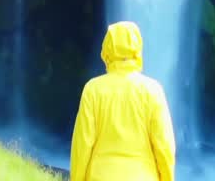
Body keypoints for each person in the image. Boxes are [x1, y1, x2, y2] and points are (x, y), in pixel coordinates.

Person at [70, 21, 176, 181]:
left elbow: (82, 145)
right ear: (138, 51)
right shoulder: (153, 90)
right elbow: (164, 147)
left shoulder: (93, 89)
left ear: (106, 50)